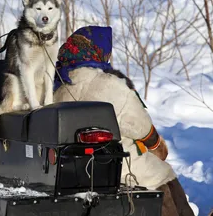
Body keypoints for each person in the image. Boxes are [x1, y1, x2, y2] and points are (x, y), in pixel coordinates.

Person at [53, 26, 194, 216]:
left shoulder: (56, 85)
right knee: (165, 179)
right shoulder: (108, 84)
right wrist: (156, 144)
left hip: (71, 173)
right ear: (99, 51)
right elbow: (140, 126)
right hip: (118, 168)